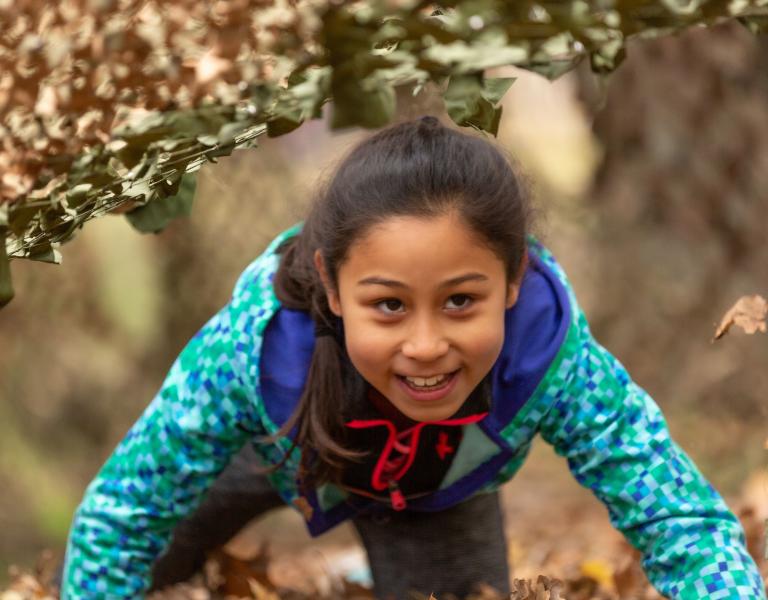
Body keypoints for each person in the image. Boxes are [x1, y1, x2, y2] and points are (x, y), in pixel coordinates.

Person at [62, 116, 764, 600]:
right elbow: (124, 509)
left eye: (461, 302)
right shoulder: (256, 345)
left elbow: (677, 515)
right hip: (271, 444)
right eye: (389, 306)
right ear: (332, 288)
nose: (426, 346)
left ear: (513, 280)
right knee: (143, 564)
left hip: (431, 491)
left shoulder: (549, 353)